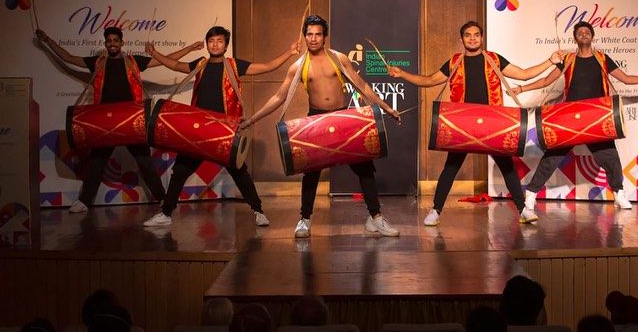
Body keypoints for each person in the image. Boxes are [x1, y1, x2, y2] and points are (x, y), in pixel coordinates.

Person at [240, 15, 401, 238]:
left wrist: (387, 108)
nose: (313, 38)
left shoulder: (339, 59)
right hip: (316, 120)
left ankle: (375, 218)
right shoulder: (298, 67)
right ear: (305, 37)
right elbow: (279, 97)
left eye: (318, 34)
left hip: (342, 118)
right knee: (311, 172)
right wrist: (252, 119)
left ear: (325, 37)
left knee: (365, 167)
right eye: (309, 34)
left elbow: (362, 86)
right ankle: (304, 220)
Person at [388, 21, 563, 225]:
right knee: (451, 167)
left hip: (492, 121)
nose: (472, 38)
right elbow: (429, 80)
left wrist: (550, 61)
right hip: (463, 122)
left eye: (476, 35)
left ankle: (523, 210)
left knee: (506, 166)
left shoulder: (494, 59)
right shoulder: (454, 62)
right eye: (468, 35)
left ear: (481, 38)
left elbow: (524, 75)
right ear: (462, 39)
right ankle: (435, 211)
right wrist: (402, 74)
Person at [143, 26, 299, 227]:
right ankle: (165, 214)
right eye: (211, 41)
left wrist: (289, 52)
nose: (215, 44)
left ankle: (258, 211)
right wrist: (155, 54)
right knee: (180, 172)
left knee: (240, 173)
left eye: (219, 41)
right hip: (199, 130)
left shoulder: (234, 65)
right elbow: (175, 65)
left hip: (224, 131)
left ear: (226, 45)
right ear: (207, 44)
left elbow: (267, 67)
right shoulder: (200, 64)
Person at [35, 27, 203, 213]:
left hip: (130, 119)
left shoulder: (133, 61)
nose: (112, 43)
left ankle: (162, 198)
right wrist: (47, 40)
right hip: (105, 121)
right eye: (109, 41)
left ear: (122, 43)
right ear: (106, 43)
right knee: (97, 162)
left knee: (144, 161)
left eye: (116, 40)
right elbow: (68, 58)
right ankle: (84, 201)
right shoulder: (98, 62)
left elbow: (166, 59)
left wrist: (190, 48)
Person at [510, 21, 638, 212]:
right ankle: (531, 193)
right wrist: (521, 89)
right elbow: (546, 81)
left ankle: (618, 193)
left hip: (596, 116)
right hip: (570, 116)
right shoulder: (568, 59)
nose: (584, 34)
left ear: (592, 36)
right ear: (575, 38)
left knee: (610, 156)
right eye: (580, 32)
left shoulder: (602, 58)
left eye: (587, 32)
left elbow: (626, 79)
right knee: (553, 156)